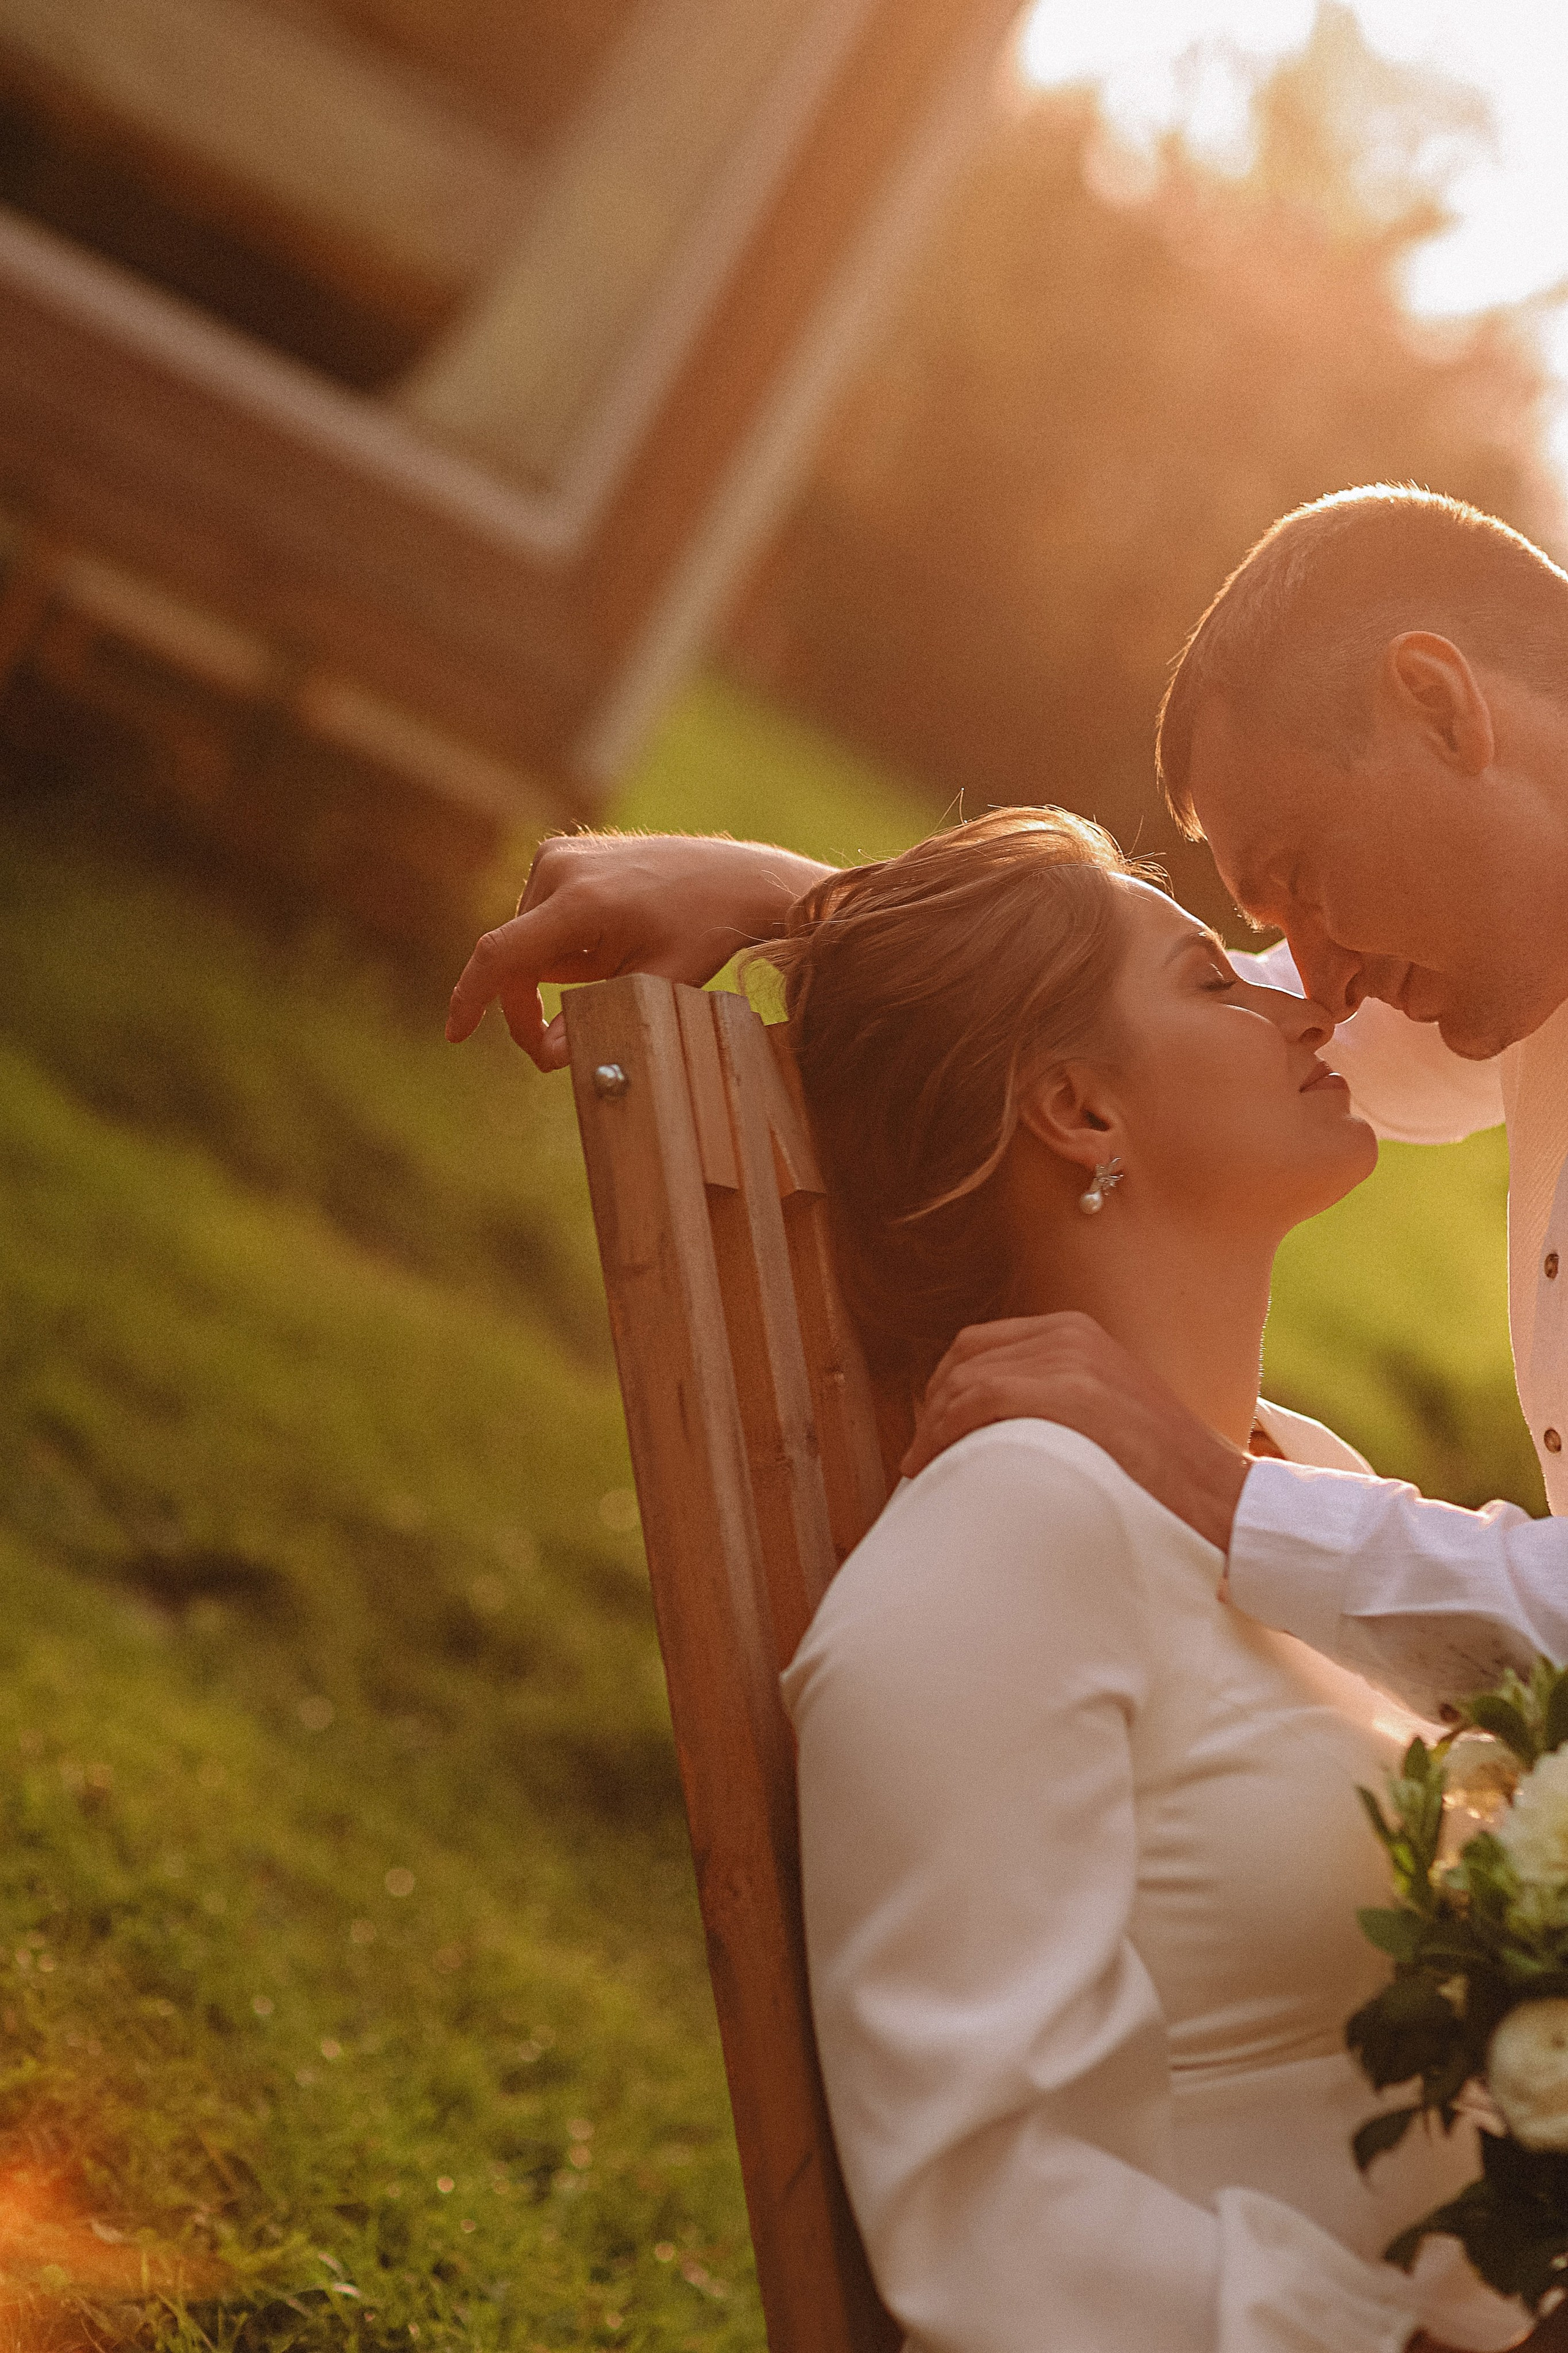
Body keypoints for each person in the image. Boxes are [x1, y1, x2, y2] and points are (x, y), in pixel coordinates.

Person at [445, 486, 1568, 1729]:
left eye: (1304, 877)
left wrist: (1207, 1486)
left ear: (1437, 703)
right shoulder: (1499, 950)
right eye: (1273, 925)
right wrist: (798, 897)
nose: (1315, 983)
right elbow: (1173, 1044)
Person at [756, 808, 1524, 2350]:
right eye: (1210, 983)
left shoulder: (1299, 1475)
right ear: (1075, 1110)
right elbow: (986, 2208)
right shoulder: (1005, 1542)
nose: (1307, 1006)